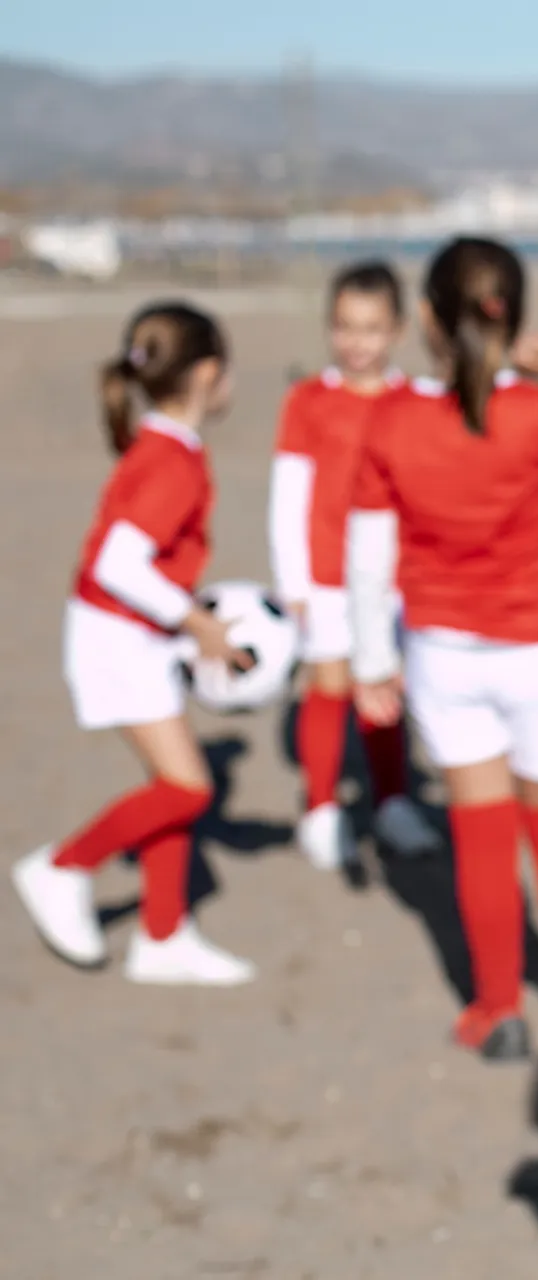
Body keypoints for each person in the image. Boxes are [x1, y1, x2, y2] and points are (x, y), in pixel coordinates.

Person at [347, 237, 538, 1061]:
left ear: (425, 319)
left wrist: (371, 664)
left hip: (441, 660)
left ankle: (497, 1010)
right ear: (514, 320)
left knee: (480, 838)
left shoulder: (390, 419)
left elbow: (367, 559)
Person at [12, 302, 256, 986]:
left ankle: (164, 936)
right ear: (207, 375)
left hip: (134, 636)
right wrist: (196, 622)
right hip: (114, 639)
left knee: (175, 785)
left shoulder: (164, 447)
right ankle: (62, 867)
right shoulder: (171, 462)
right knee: (188, 789)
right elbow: (118, 563)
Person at [270, 260, 439, 870]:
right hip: (324, 577)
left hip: (393, 581)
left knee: (384, 685)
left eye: (370, 328)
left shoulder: (417, 401)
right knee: (330, 686)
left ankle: (392, 802)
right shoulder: (308, 401)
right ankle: (320, 809)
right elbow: (288, 495)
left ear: (396, 331)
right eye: (344, 326)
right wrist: (293, 582)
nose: (356, 342)